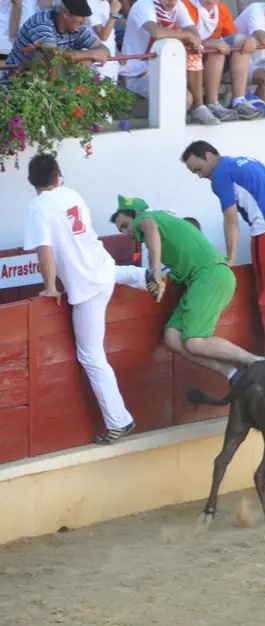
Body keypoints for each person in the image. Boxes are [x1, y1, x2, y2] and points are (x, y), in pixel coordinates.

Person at [22, 154, 136, 445]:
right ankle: (149, 276)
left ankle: (119, 421)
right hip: (103, 268)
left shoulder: (38, 207)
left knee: (90, 355)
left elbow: (44, 250)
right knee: (121, 273)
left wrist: (50, 287)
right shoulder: (72, 193)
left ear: (31, 182)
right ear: (59, 176)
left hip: (85, 286)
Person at [110, 196, 265, 381]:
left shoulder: (146, 219)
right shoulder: (165, 223)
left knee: (194, 341)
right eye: (121, 230)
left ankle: (258, 362)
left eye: (125, 226)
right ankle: (232, 373)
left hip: (208, 276)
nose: (126, 232)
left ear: (136, 214)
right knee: (172, 337)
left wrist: (155, 271)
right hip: (203, 277)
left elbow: (149, 227)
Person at [180, 141, 265, 357]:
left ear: (209, 155)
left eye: (198, 169)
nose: (200, 176)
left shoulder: (220, 174)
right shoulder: (246, 161)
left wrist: (230, 258)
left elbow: (231, 219)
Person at [4, 0, 111, 78]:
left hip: (44, 85)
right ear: (65, 13)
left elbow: (104, 50)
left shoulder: (77, 28)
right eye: (81, 16)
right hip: (15, 84)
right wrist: (91, 55)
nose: (84, 22)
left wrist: (87, 60)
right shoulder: (41, 22)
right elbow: (51, 54)